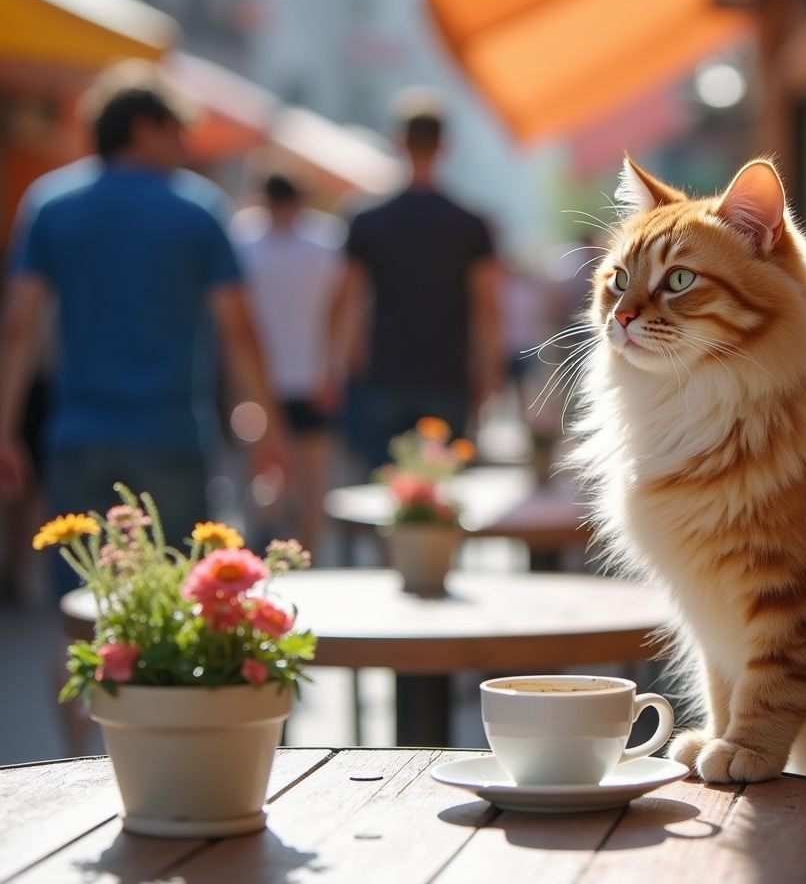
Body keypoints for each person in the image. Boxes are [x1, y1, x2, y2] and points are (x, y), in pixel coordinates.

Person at [0, 60, 288, 598]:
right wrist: (268, 430)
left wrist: (5, 428)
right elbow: (239, 331)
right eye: (177, 131)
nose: (184, 146)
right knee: (174, 611)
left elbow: (19, 325)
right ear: (144, 128)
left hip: (78, 435)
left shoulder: (49, 203)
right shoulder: (198, 209)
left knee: (80, 613)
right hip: (171, 434)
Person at [329, 102, 502, 469]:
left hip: (384, 373)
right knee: (439, 495)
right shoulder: (471, 224)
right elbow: (486, 306)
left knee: (381, 488)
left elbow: (346, 299)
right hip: (447, 374)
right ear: (444, 147)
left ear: (399, 142)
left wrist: (339, 366)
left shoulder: (366, 220)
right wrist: (490, 373)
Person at [231, 173, 345, 551]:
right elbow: (341, 311)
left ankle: (263, 550)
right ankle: (306, 555)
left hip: (256, 382)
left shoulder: (242, 242)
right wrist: (333, 368)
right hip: (312, 375)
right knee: (313, 479)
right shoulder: (326, 241)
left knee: (263, 475)